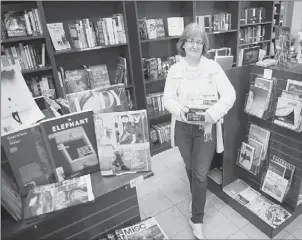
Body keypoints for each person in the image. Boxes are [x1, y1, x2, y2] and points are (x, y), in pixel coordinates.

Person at [163, 23, 236, 239]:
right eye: (190, 40)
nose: (194, 45)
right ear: (183, 43)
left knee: (201, 173)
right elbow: (167, 99)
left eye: (199, 41)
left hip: (206, 128)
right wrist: (181, 111)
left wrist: (212, 114)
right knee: (189, 166)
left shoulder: (213, 67)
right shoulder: (174, 70)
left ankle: (197, 218)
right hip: (184, 127)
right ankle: (196, 199)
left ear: (203, 45)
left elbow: (229, 95)